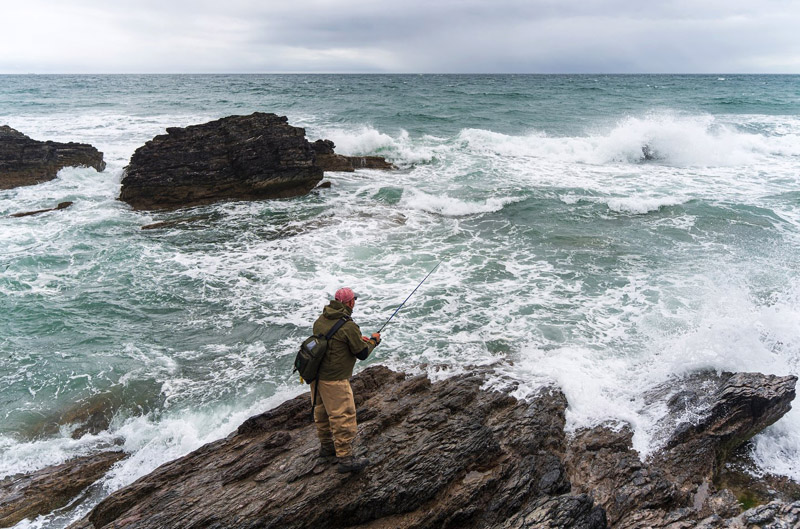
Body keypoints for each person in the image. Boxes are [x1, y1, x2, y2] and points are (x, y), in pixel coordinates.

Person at [311, 287, 381, 473]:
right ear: (350, 303)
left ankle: (327, 448)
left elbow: (334, 342)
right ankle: (345, 458)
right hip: (334, 380)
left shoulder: (321, 319)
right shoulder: (348, 326)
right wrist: (373, 341)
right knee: (343, 416)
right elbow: (362, 353)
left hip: (316, 376)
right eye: (354, 300)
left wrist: (358, 339)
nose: (354, 303)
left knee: (321, 413)